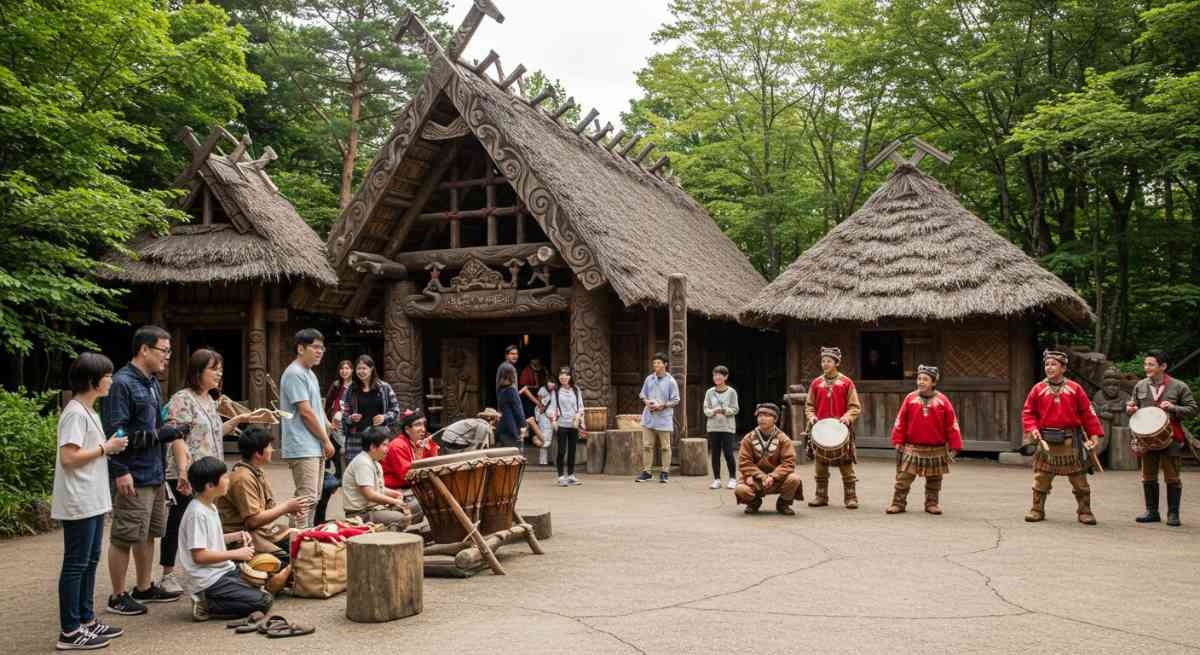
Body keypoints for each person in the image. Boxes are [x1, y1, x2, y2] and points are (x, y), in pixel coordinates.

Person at [102, 325, 186, 615]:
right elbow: (115, 432)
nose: (168, 356)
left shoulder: (151, 382)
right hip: (133, 473)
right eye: (164, 350)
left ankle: (144, 586)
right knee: (124, 535)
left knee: (149, 532)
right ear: (144, 349)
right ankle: (117, 596)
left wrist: (169, 431)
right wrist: (120, 470)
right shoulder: (121, 383)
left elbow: (153, 427)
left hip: (154, 471)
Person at [159, 349, 251, 595]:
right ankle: (167, 574)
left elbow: (212, 433)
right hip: (188, 473)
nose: (219, 374)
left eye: (220, 369)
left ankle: (208, 569)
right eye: (214, 369)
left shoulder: (210, 399)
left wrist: (237, 421)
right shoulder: (182, 399)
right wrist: (182, 470)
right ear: (198, 371)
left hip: (211, 473)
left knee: (206, 520)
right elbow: (177, 436)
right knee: (178, 521)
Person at [53, 353, 128, 650]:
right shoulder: (74, 413)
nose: (111, 380)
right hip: (79, 499)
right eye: (107, 376)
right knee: (76, 563)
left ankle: (86, 619)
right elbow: (68, 457)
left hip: (92, 498)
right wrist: (106, 447)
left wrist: (109, 447)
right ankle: (70, 630)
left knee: (89, 560)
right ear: (92, 381)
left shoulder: (89, 411)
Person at [176, 456, 273, 622]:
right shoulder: (197, 513)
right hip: (208, 579)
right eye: (224, 477)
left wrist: (236, 535)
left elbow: (209, 540)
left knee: (265, 583)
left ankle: (217, 597)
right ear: (209, 486)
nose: (228, 481)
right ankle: (206, 604)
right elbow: (199, 556)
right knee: (263, 601)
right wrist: (237, 553)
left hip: (221, 570)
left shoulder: (209, 506)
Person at [1020, 350, 1105, 525]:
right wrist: (1032, 429)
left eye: (1054, 364)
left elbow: (1087, 413)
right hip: (1046, 442)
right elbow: (1028, 412)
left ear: (1064, 368)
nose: (1049, 368)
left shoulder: (1075, 388)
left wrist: (1094, 435)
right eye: (1047, 364)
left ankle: (1085, 511)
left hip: (1070, 441)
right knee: (1041, 477)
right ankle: (1037, 509)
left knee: (1079, 479)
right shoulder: (1038, 389)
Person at [216, 427, 308, 566]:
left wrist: (290, 511)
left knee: (304, 545)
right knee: (292, 562)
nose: (272, 450)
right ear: (258, 453)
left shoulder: (256, 471)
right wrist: (285, 507)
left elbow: (268, 507)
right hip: (242, 537)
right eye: (269, 447)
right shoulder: (243, 478)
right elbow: (253, 521)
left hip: (260, 531)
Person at [1126, 350, 1198, 527]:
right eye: (1145, 364)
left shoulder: (1179, 386)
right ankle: (1152, 512)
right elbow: (1133, 405)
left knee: (1172, 477)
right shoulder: (1140, 385)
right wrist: (1130, 409)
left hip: (1171, 436)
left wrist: (1173, 407)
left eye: (1151, 364)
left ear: (1163, 366)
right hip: (1146, 438)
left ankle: (1173, 514)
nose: (1146, 367)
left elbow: (1193, 409)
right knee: (1148, 476)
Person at [887, 365, 963, 515]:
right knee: (903, 477)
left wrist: (955, 447)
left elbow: (951, 424)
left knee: (934, 479)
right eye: (919, 378)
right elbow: (901, 420)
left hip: (936, 448)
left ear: (933, 382)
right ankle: (898, 503)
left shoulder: (943, 400)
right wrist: (898, 441)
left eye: (925, 379)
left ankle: (931, 503)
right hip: (912, 447)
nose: (921, 382)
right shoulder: (910, 398)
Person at [279, 328, 333, 529]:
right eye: (315, 347)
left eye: (322, 348)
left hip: (313, 444)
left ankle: (306, 536)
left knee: (313, 498)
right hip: (302, 444)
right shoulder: (294, 373)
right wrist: (326, 440)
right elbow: (306, 412)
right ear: (301, 349)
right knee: (306, 498)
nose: (320, 351)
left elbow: (316, 408)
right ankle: (296, 539)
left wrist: (329, 426)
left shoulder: (309, 373)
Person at [803, 346, 862, 509]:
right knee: (820, 466)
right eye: (823, 361)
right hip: (820, 430)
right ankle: (821, 496)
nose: (825, 364)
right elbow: (809, 406)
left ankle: (851, 498)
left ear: (836, 363)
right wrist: (812, 417)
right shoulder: (816, 383)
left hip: (840, 430)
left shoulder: (846, 382)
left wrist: (847, 417)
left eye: (829, 361)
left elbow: (855, 407)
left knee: (846, 466)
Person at [734, 403, 804, 515]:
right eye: (760, 415)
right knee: (740, 489)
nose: (762, 418)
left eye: (767, 416)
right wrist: (762, 476)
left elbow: (789, 463)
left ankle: (783, 503)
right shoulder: (748, 438)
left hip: (778, 479)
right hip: (756, 479)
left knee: (794, 479)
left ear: (775, 419)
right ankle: (754, 502)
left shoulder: (783, 439)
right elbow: (745, 463)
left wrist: (772, 476)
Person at [342, 427, 413, 530]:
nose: (387, 449)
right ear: (373, 447)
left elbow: (379, 488)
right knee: (400, 518)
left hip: (373, 509)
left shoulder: (374, 462)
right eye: (384, 445)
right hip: (360, 514)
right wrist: (395, 501)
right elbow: (370, 494)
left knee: (415, 507)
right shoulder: (363, 463)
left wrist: (395, 494)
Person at [341, 355, 400, 464]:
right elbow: (344, 416)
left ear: (371, 369)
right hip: (356, 440)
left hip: (379, 437)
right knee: (358, 469)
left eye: (364, 368)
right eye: (358, 368)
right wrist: (351, 418)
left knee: (379, 468)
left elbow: (396, 410)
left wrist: (384, 417)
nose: (361, 371)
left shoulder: (384, 388)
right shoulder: (350, 390)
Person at [316, 360, 353, 525]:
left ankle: (344, 477)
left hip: (349, 420)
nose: (344, 371)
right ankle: (340, 476)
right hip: (336, 422)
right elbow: (328, 402)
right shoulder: (337, 385)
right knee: (339, 449)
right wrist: (327, 419)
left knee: (345, 450)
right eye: (342, 368)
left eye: (347, 368)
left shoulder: (355, 386)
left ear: (351, 370)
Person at [637, 352, 679, 483]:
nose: (655, 365)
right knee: (647, 446)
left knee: (665, 447)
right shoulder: (649, 379)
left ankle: (665, 472)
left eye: (658, 363)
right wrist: (646, 402)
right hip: (649, 416)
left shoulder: (671, 381)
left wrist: (663, 405)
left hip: (663, 417)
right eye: (654, 363)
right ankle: (647, 472)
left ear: (665, 364)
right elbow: (642, 394)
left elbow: (676, 400)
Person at [703, 365, 740, 490]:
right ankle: (717, 479)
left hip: (727, 427)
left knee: (728, 453)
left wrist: (724, 410)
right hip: (713, 427)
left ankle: (732, 478)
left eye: (720, 375)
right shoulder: (709, 392)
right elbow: (705, 409)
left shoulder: (731, 392)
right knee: (715, 453)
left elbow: (735, 409)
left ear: (725, 377)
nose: (717, 377)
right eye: (715, 375)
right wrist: (713, 411)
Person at [548, 366, 585, 487]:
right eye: (561, 375)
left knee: (572, 450)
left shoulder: (576, 390)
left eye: (566, 375)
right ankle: (560, 476)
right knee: (562, 450)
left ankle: (570, 475)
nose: (563, 377)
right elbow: (552, 407)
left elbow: (580, 406)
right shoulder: (556, 391)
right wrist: (553, 420)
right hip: (562, 424)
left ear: (570, 377)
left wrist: (578, 416)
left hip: (573, 424)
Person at [496, 365, 526, 448]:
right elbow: (518, 409)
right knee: (513, 451)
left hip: (502, 426)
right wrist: (523, 424)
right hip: (511, 427)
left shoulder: (501, 390)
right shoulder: (511, 390)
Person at [532, 380, 556, 465]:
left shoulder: (555, 392)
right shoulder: (543, 390)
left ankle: (551, 459)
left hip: (552, 419)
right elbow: (539, 406)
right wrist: (541, 411)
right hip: (544, 419)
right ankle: (543, 461)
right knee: (544, 439)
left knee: (551, 440)